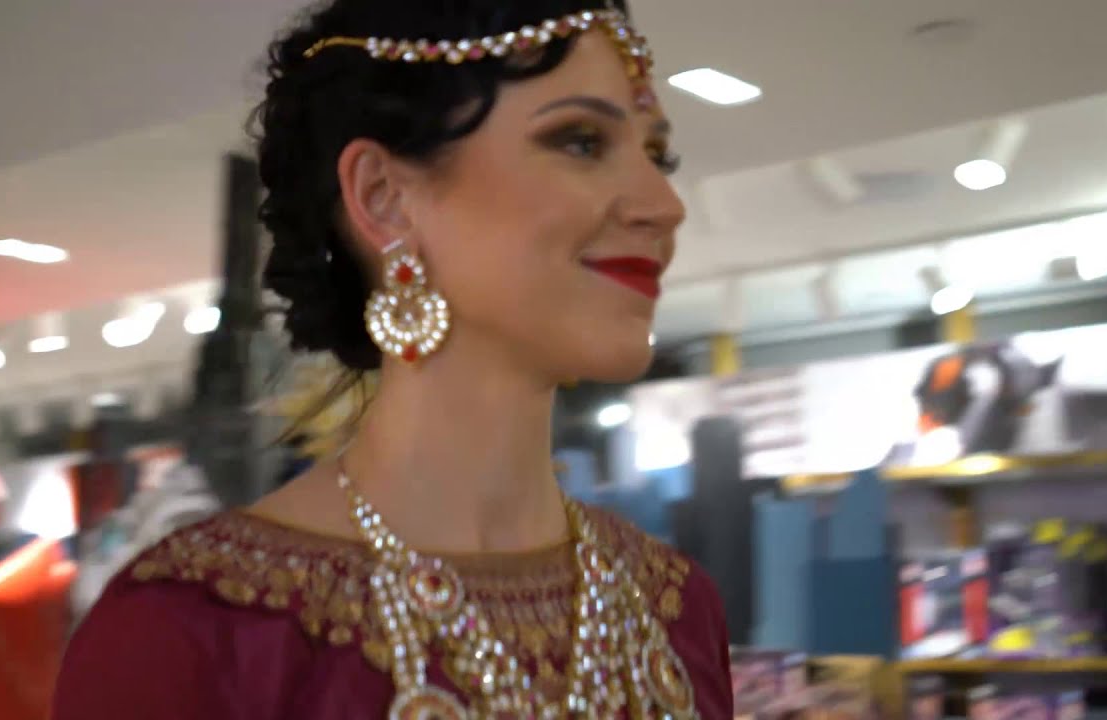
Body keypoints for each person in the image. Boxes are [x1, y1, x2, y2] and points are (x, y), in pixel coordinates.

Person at [51, 0, 735, 717]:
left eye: (658, 156)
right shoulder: (189, 634)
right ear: (384, 198)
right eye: (582, 141)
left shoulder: (676, 608)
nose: (664, 204)